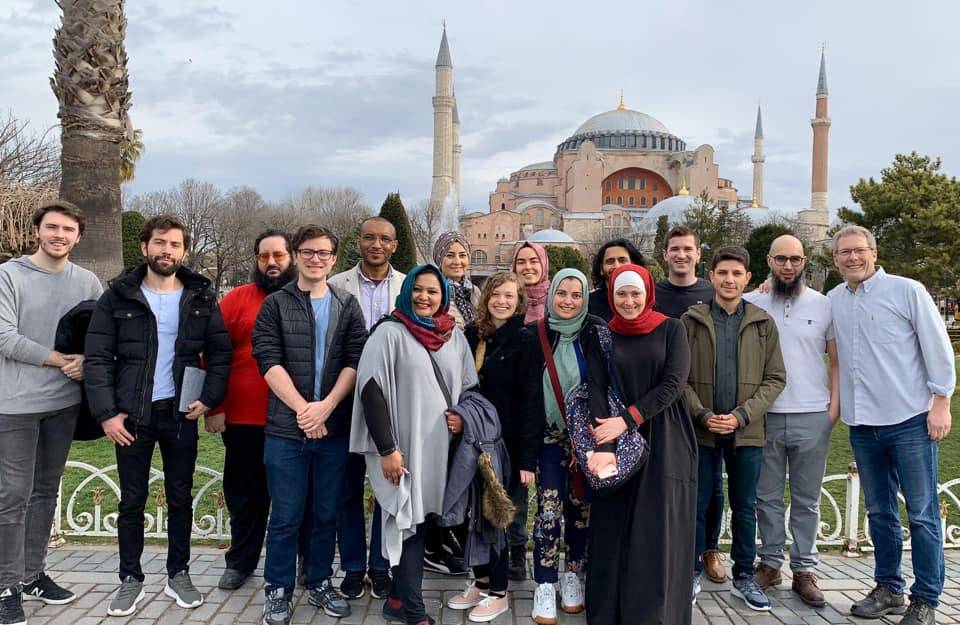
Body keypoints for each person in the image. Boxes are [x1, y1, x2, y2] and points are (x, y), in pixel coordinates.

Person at [84, 214, 232, 617]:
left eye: (175, 245)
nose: (167, 251)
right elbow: (96, 358)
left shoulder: (200, 295)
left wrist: (210, 397)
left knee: (181, 497)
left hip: (179, 414)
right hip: (131, 416)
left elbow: (220, 352)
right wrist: (107, 414)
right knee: (132, 500)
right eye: (160, 243)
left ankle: (178, 573)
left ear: (184, 250)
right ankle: (130, 579)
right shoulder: (118, 296)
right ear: (145, 247)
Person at [828, 226, 955, 625]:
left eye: (858, 251)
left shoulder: (907, 291)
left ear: (873, 252)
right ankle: (888, 588)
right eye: (844, 252)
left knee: (921, 513)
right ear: (835, 259)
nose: (852, 258)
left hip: (910, 420)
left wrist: (941, 403)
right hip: (863, 423)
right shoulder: (833, 300)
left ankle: (927, 598)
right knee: (880, 511)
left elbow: (937, 347)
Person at [350, 264, 478, 625]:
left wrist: (464, 415)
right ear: (407, 292)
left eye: (432, 291)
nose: (424, 297)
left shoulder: (454, 336)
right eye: (418, 289)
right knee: (409, 521)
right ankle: (413, 610)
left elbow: (469, 387)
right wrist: (388, 450)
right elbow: (370, 390)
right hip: (401, 448)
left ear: (444, 297)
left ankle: (394, 600)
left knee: (422, 522)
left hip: (439, 448)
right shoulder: (388, 333)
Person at [251, 225, 367, 625]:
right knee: (285, 515)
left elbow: (355, 359)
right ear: (296, 255)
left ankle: (318, 581)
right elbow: (267, 359)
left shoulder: (347, 304)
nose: (315, 258)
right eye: (308, 251)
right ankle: (278, 591)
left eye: (324, 252)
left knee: (325, 514)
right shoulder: (276, 304)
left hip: (332, 430)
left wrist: (326, 408)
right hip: (286, 430)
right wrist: (304, 410)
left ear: (334, 258)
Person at [0, 201, 102, 625]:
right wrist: (62, 360)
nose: (60, 235)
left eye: (68, 229)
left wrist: (87, 360)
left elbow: (103, 332)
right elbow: (4, 337)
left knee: (45, 492)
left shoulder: (88, 281)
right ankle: (6, 587)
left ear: (78, 236)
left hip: (64, 405)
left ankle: (34, 572)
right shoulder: (10, 275)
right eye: (52, 227)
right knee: (12, 497)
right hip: (15, 406)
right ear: (38, 230)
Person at [583, 264, 693, 625]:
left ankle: (653, 614)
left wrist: (628, 419)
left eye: (635, 293)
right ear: (611, 295)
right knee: (613, 527)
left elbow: (673, 383)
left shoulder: (670, 329)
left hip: (663, 437)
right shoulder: (602, 335)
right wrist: (605, 440)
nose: (628, 301)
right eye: (621, 293)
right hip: (612, 438)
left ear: (647, 293)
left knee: (654, 531)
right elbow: (596, 387)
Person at [682, 246, 785, 611]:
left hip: (747, 432)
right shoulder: (690, 321)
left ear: (747, 278)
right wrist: (701, 413)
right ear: (711, 276)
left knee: (744, 506)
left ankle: (744, 576)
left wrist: (742, 414)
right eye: (722, 273)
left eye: (736, 274)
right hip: (702, 431)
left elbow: (775, 378)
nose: (729, 280)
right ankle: (691, 571)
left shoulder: (761, 323)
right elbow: (679, 377)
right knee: (696, 505)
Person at [744, 235, 839, 608]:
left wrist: (833, 409)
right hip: (765, 415)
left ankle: (804, 569)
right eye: (781, 259)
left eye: (795, 260)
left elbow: (836, 360)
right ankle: (769, 563)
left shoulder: (824, 304)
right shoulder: (753, 302)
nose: (788, 266)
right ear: (769, 260)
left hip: (813, 413)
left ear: (804, 262)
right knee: (765, 497)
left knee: (806, 499)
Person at [201, 230, 296, 591]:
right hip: (243, 418)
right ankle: (240, 561)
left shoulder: (306, 297)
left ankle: (297, 564)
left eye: (278, 255)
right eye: (263, 256)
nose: (271, 262)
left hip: (293, 417)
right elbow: (213, 353)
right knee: (245, 495)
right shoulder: (238, 299)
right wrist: (216, 405)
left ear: (292, 257)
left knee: (293, 496)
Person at [447, 272, 540, 621]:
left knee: (497, 518)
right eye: (496, 295)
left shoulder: (524, 340)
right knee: (473, 516)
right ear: (485, 298)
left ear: (519, 302)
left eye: (509, 296)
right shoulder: (471, 335)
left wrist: (527, 458)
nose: (502, 301)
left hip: (508, 445)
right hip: (471, 441)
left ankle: (499, 592)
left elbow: (531, 401)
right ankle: (481, 581)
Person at [328, 216, 405, 600]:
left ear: (394, 245)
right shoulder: (335, 285)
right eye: (369, 238)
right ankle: (355, 566)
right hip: (345, 400)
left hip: (390, 405)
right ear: (358, 242)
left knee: (386, 489)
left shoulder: (408, 286)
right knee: (347, 488)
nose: (376, 244)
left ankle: (382, 566)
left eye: (384, 239)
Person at [529, 269, 604, 625]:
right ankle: (544, 583)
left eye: (576, 295)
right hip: (548, 439)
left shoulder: (595, 334)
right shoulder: (537, 334)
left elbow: (607, 388)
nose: (569, 301)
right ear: (552, 294)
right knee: (548, 511)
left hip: (587, 441)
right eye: (562, 293)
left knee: (582, 510)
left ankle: (572, 574)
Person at [655, 226, 724, 583]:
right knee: (670, 479)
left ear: (698, 254)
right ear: (665, 254)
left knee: (711, 482)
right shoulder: (655, 294)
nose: (681, 255)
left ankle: (709, 548)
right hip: (666, 402)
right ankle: (674, 545)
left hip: (706, 402)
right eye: (674, 249)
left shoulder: (713, 292)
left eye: (688, 249)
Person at [587, 238, 645, 321]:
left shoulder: (647, 301)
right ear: (601, 269)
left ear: (634, 265)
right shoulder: (589, 304)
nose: (617, 266)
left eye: (622, 260)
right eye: (610, 261)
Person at [433, 232, 480, 330]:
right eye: (450, 255)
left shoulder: (474, 291)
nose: (457, 262)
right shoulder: (433, 290)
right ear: (439, 259)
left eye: (462, 255)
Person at [512, 241, 550, 324]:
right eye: (521, 262)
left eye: (534, 262)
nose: (528, 267)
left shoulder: (557, 301)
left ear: (544, 265)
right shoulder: (506, 300)